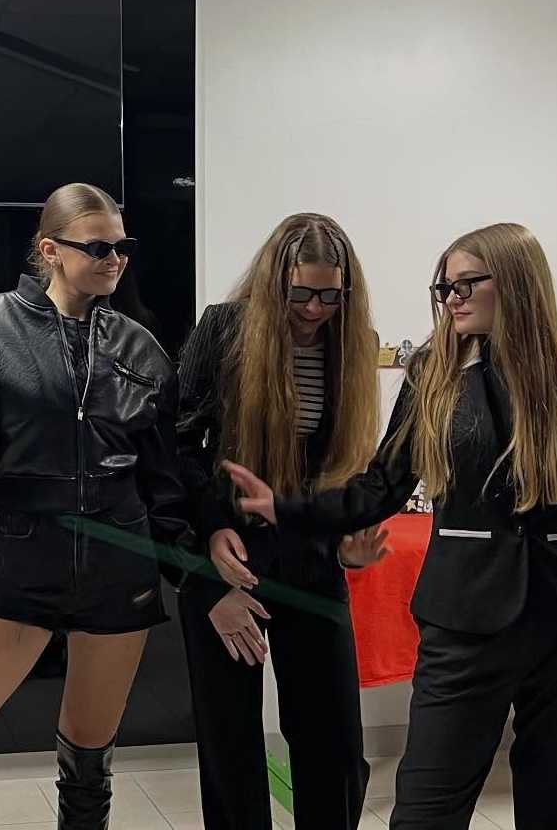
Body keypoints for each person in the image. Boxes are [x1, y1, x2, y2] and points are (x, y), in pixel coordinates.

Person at [228, 222, 557, 830]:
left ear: (515, 283)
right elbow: (381, 485)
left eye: (465, 284)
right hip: (463, 618)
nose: (451, 299)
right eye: (444, 287)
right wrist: (289, 509)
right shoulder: (434, 375)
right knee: (425, 811)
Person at [0, 182, 191, 830]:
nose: (115, 259)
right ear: (50, 250)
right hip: (21, 569)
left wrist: (198, 574)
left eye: (123, 247)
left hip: (118, 566)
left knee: (87, 772)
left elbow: (165, 478)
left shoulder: (139, 345)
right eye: (99, 247)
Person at [176, 214, 388, 830]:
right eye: (300, 293)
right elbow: (178, 445)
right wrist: (206, 544)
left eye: (330, 295)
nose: (315, 309)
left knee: (334, 744)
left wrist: (346, 534)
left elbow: (342, 465)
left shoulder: (352, 342)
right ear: (275, 283)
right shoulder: (225, 328)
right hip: (228, 557)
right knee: (230, 745)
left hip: (310, 560)